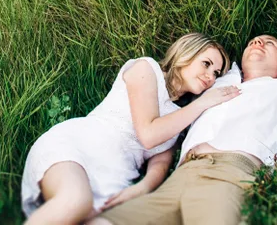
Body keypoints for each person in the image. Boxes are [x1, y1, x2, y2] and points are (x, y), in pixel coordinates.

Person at [93, 35, 277, 225]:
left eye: (269, 43)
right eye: (254, 42)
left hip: (230, 174)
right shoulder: (215, 82)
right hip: (179, 178)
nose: (258, 42)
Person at [22, 34, 241, 225]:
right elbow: (148, 134)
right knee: (74, 201)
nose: (211, 77)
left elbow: (161, 163)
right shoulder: (146, 69)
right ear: (186, 53)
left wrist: (143, 187)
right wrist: (201, 104)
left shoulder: (180, 118)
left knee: (94, 218)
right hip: (79, 147)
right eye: (206, 64)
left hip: (114, 177)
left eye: (216, 73)